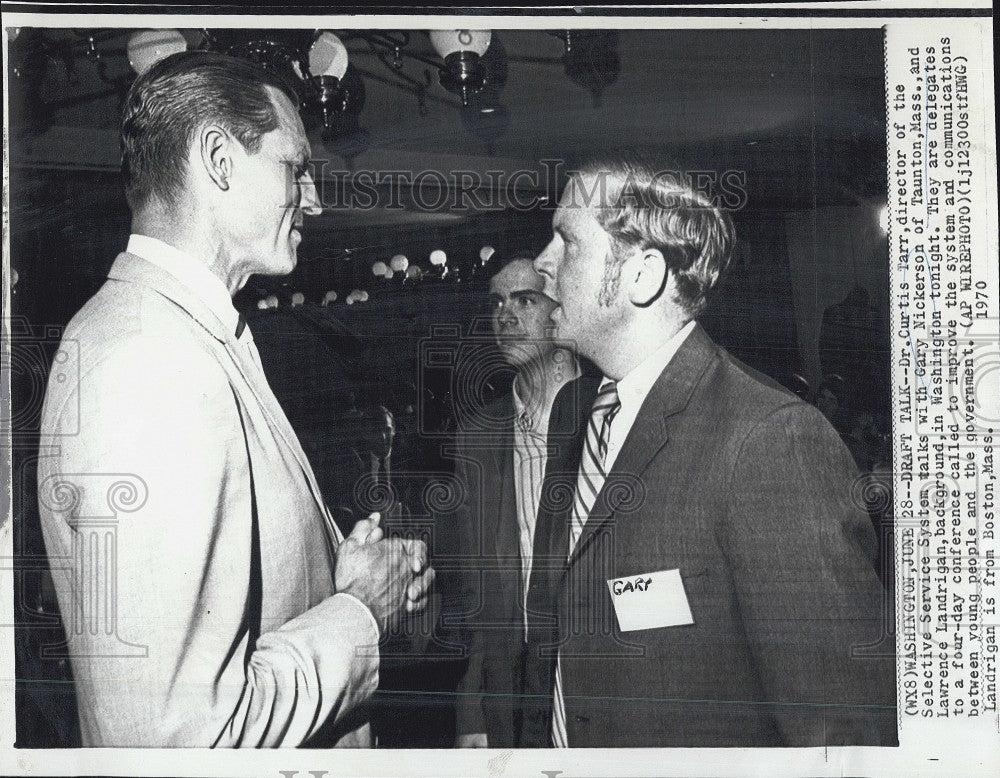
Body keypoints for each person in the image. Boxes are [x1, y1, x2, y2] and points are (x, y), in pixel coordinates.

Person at [35, 51, 433, 747]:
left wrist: (335, 580)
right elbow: (179, 738)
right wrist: (358, 614)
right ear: (218, 158)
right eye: (294, 168)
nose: (313, 199)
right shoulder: (148, 362)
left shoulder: (194, 332)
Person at [521, 154, 897, 747]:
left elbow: (840, 728)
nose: (542, 264)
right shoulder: (573, 411)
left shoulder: (771, 440)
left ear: (643, 276)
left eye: (566, 241)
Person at [453, 257, 579, 748]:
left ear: (562, 310)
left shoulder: (608, 410)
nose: (505, 315)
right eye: (497, 302)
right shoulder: (478, 435)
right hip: (515, 693)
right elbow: (475, 590)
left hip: (596, 677)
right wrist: (471, 713)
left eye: (525, 299)